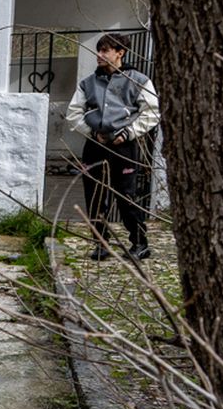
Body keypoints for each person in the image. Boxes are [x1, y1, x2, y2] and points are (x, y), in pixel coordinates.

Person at [64, 33, 160, 261]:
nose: (99, 55)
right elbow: (73, 114)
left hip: (124, 147)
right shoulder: (87, 83)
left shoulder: (139, 80)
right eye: (99, 50)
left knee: (126, 196)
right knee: (95, 196)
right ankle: (101, 243)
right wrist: (92, 133)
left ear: (120, 52)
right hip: (95, 147)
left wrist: (128, 133)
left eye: (105, 50)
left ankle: (139, 243)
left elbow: (152, 112)